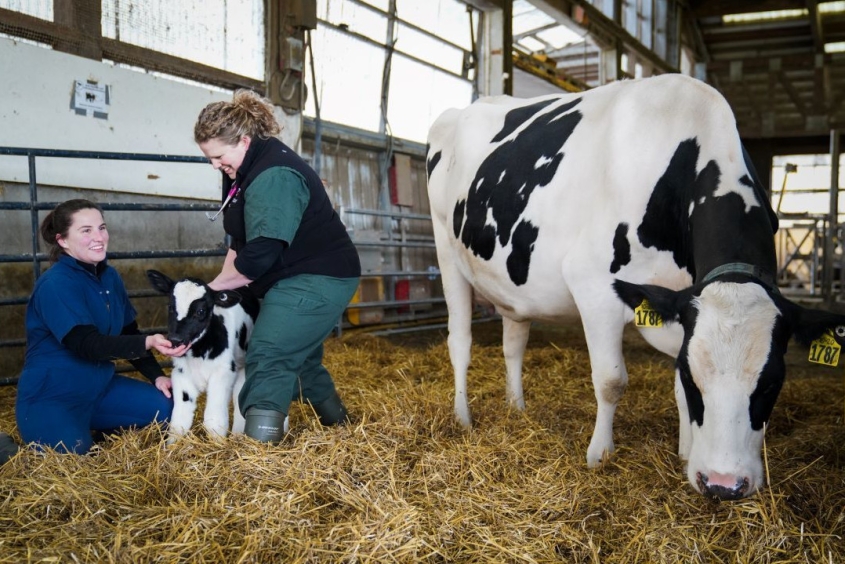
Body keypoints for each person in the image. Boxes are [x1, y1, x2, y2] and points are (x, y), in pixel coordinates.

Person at [193, 89, 361, 443]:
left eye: (218, 156)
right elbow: (238, 242)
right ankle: (343, 431)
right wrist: (215, 288)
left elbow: (258, 256)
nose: (214, 166)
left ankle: (259, 456)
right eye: (208, 158)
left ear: (243, 140)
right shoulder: (241, 168)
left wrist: (208, 293)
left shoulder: (275, 174)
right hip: (290, 275)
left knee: (269, 353)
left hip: (317, 276)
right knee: (300, 362)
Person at [16, 199, 182, 454]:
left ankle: (98, 431)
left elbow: (128, 332)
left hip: (98, 388)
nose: (99, 237)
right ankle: (12, 447)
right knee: (71, 459)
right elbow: (85, 344)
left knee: (168, 409)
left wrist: (156, 375)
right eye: (86, 230)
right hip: (54, 395)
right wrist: (147, 342)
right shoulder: (56, 284)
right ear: (62, 240)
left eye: (101, 227)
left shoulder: (109, 277)